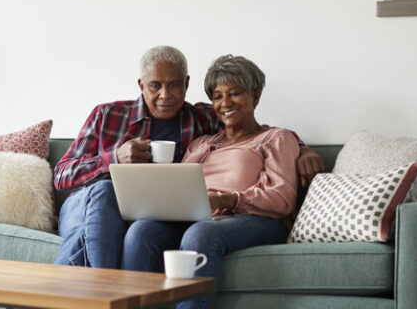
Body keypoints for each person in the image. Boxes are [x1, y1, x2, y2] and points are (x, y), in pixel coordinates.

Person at [53, 46, 323, 269]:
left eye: (174, 85)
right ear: (141, 85)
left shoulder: (200, 120)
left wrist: (304, 149)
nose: (165, 95)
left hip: (159, 214)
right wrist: (113, 158)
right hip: (86, 205)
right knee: (105, 190)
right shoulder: (108, 115)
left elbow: (258, 133)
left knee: (138, 230)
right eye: (155, 86)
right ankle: (106, 292)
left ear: (186, 84)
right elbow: (62, 175)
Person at [121, 54, 301, 309]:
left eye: (235, 93)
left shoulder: (274, 139)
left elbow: (281, 199)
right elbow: (178, 187)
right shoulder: (201, 143)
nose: (225, 102)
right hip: (197, 216)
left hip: (255, 219)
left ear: (256, 96)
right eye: (217, 96)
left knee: (200, 234)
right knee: (141, 231)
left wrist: (227, 199)